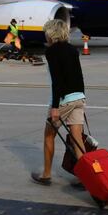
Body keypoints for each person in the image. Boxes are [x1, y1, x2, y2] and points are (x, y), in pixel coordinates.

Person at [31, 19, 86, 186]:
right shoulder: (72, 49)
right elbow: (78, 75)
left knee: (49, 135)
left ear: (51, 33)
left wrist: (55, 107)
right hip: (78, 97)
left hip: (63, 101)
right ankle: (86, 177)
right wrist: (80, 97)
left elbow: (57, 81)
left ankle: (46, 175)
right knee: (77, 139)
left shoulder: (52, 52)